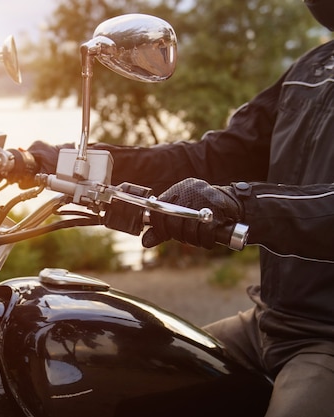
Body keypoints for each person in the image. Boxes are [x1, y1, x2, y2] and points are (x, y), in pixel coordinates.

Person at [27, 1, 334, 416]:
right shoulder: (312, 69)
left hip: (325, 339)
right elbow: (212, 157)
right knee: (140, 372)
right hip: (269, 320)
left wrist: (237, 204)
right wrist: (58, 161)